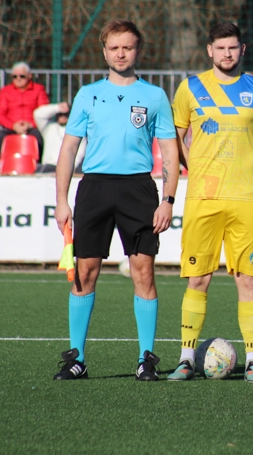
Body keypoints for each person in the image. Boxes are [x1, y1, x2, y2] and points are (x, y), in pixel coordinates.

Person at [52, 19, 179, 381]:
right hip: (94, 188)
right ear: (104, 51)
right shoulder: (87, 94)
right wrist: (61, 200)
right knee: (84, 272)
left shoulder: (154, 96)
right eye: (114, 48)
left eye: (128, 47)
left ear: (138, 51)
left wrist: (168, 199)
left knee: (143, 272)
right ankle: (77, 359)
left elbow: (170, 151)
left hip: (138, 190)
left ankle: (146, 359)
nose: (121, 54)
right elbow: (68, 149)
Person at [167, 22, 253, 383]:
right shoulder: (190, 88)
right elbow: (174, 138)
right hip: (203, 198)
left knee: (247, 279)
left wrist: (252, 170)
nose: (227, 54)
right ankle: (186, 359)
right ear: (209, 50)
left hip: (246, 198)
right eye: (220, 48)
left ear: (242, 49)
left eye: (233, 47)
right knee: (197, 278)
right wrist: (197, 168)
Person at [0, 62, 49, 160]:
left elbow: (44, 111)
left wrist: (30, 125)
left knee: (38, 137)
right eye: (14, 76)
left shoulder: (39, 89)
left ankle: (39, 163)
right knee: (2, 136)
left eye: (22, 76)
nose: (18, 79)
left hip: (32, 126)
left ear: (29, 76)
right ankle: (0, 163)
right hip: (11, 126)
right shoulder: (5, 91)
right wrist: (13, 126)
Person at [33, 101, 86, 173]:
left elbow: (80, 152)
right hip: (49, 165)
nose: (63, 117)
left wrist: (71, 167)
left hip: (67, 168)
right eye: (60, 114)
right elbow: (38, 114)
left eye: (66, 115)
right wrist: (57, 108)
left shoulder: (77, 131)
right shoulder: (49, 127)